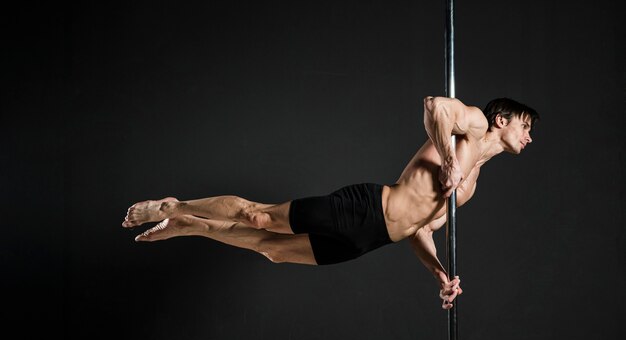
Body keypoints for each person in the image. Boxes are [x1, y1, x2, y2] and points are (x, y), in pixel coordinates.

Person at [122, 96, 539, 309]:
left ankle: (190, 226)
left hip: (371, 239)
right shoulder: (475, 125)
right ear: (502, 119)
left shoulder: (473, 185)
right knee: (259, 217)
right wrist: (449, 160)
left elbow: (421, 229)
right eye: (525, 126)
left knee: (271, 251)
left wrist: (440, 275)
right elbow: (434, 107)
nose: (529, 136)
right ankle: (173, 207)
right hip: (366, 208)